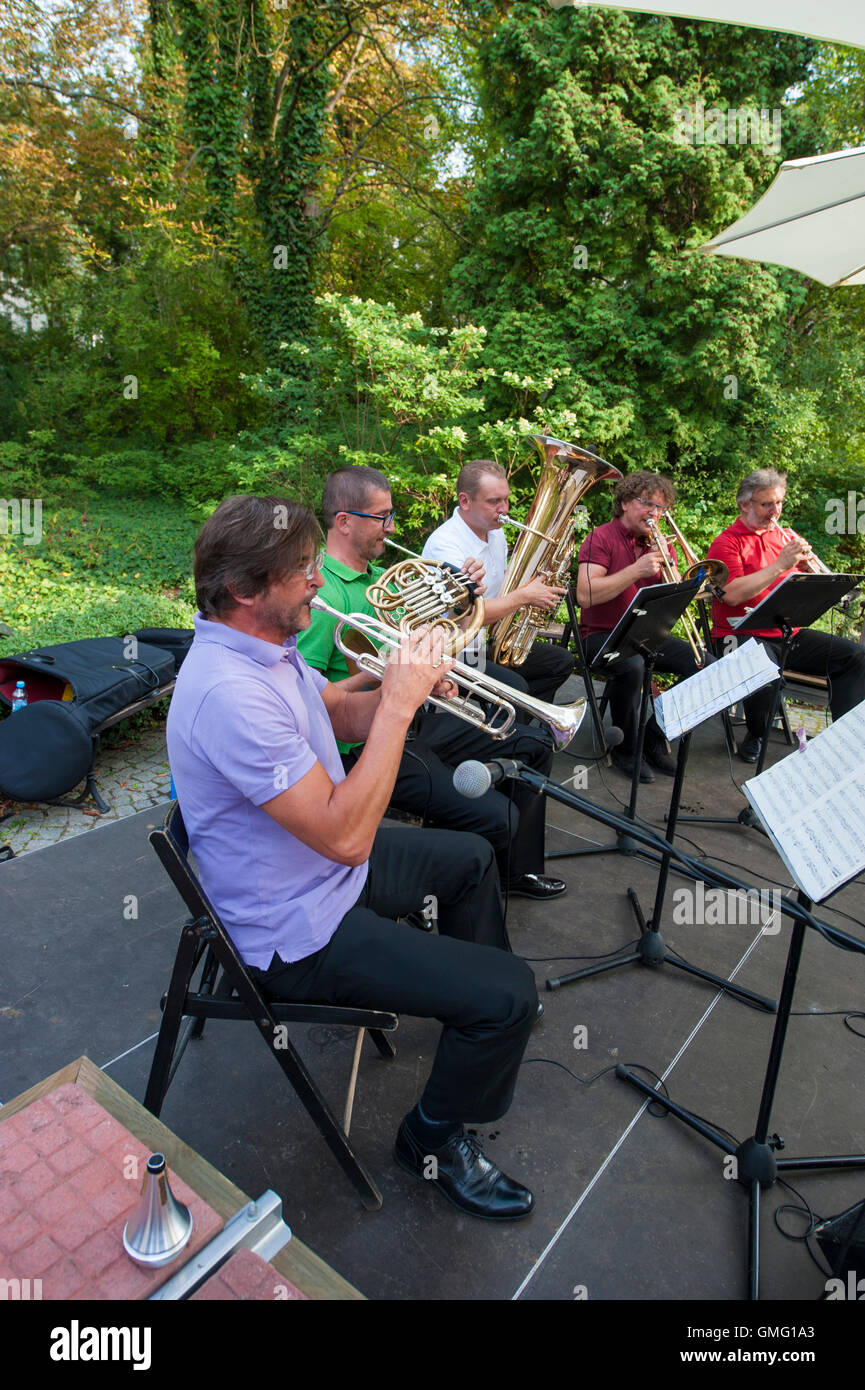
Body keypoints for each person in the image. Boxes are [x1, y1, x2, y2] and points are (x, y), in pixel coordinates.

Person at [166, 494, 538, 1220]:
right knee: (509, 993)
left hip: (319, 877)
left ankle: (472, 1018)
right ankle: (433, 1133)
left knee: (467, 857)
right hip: (293, 929)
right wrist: (398, 705)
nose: (317, 580)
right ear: (244, 591)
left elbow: (333, 710)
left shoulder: (261, 650)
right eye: (301, 569)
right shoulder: (227, 692)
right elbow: (346, 837)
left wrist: (402, 682)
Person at [297, 465, 567, 901]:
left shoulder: (373, 578)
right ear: (344, 521)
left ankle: (517, 872)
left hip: (411, 718)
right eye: (381, 517)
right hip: (363, 749)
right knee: (499, 817)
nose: (392, 527)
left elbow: (435, 634)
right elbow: (305, 699)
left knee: (534, 743)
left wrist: (462, 600)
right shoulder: (325, 596)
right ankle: (466, 880)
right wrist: (394, 675)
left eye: (391, 515)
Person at [707, 468, 865, 762]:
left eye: (780, 503)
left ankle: (845, 740)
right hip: (738, 635)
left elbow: (801, 593)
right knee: (765, 671)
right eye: (767, 504)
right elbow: (731, 594)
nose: (775, 511)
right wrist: (781, 565)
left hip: (784, 631)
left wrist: (811, 577)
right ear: (745, 505)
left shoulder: (786, 536)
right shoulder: (727, 542)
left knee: (855, 656)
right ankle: (756, 734)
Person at [576, 471, 704, 782]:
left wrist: (679, 579)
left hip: (646, 633)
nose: (654, 514)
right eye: (646, 503)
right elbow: (585, 595)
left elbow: (676, 598)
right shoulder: (600, 537)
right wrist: (636, 570)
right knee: (631, 666)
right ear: (622, 502)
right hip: (601, 635)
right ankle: (626, 750)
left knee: (704, 666)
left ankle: (653, 735)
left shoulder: (660, 545)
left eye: (661, 508)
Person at [421, 459, 575, 704]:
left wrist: (535, 583)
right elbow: (468, 618)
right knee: (516, 687)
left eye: (506, 499)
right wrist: (525, 595)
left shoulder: (496, 532)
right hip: (455, 650)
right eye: (494, 501)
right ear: (465, 501)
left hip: (487, 640)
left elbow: (503, 589)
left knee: (560, 662)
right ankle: (510, 732)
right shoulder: (446, 545)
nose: (504, 508)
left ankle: (518, 731)